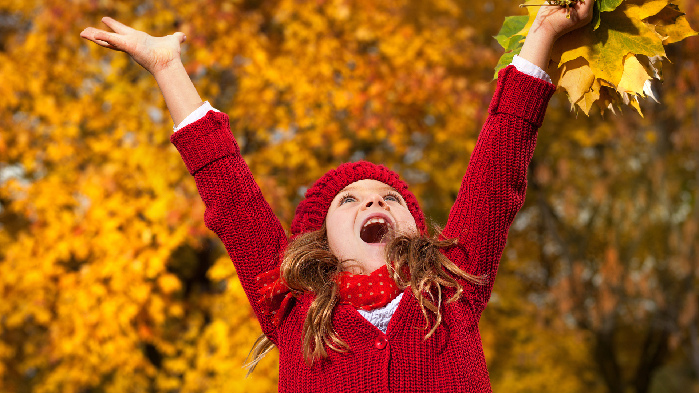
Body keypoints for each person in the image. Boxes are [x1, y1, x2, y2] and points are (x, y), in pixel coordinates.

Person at [81, 2, 594, 391]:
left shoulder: (452, 286)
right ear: (320, 241)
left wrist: (545, 30)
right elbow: (229, 192)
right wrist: (167, 68)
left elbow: (498, 165)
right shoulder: (292, 310)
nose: (373, 203)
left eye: (389, 198)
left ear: (417, 230)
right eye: (349, 201)